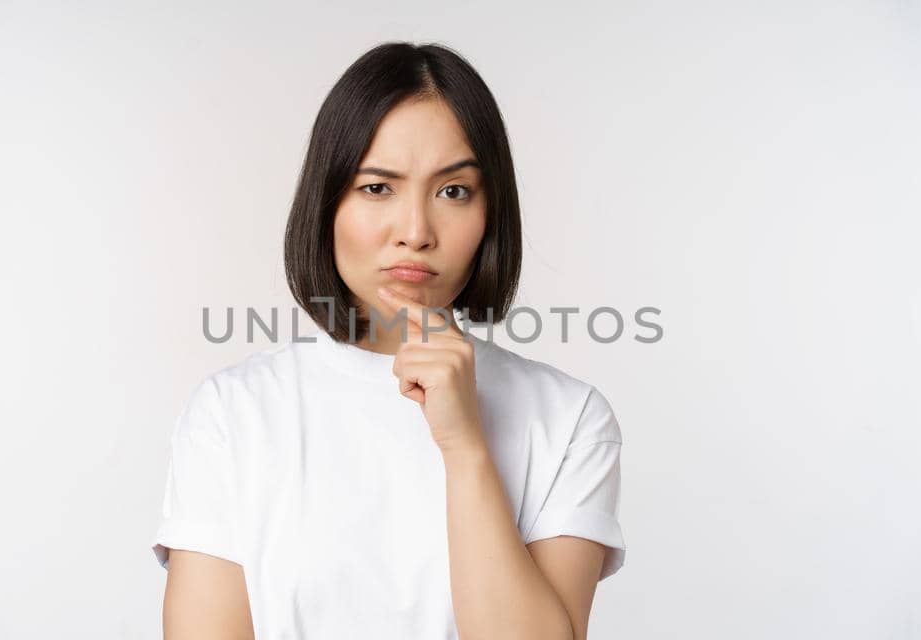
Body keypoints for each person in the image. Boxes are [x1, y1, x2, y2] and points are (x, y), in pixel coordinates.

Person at [151, 41, 627, 639]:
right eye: (378, 187)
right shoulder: (233, 414)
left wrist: (464, 445)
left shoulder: (570, 418)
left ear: (490, 213)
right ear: (327, 203)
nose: (416, 232)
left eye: (453, 191)